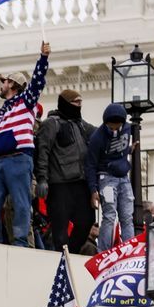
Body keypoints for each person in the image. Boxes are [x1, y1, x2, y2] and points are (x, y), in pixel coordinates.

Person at [0, 43, 50, 246]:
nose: (1, 84)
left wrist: (43, 58)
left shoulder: (26, 101)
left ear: (13, 84)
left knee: (20, 204)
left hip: (18, 159)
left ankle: (20, 242)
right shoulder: (0, 112)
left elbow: (37, 82)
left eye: (5, 81)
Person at [36, 89, 95, 253]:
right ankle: (61, 258)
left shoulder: (82, 125)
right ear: (65, 103)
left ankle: (71, 252)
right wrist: (42, 179)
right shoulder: (51, 123)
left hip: (80, 184)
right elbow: (43, 151)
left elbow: (101, 134)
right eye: (76, 102)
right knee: (59, 228)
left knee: (87, 220)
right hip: (59, 185)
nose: (79, 106)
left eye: (80, 102)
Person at [86, 103, 134, 251]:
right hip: (106, 178)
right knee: (109, 215)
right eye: (110, 127)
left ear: (122, 123)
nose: (114, 130)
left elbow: (123, 147)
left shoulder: (128, 128)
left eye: (116, 126)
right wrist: (93, 190)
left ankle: (129, 250)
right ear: (105, 123)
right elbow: (90, 165)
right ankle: (103, 251)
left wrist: (131, 149)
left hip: (123, 177)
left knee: (127, 216)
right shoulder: (97, 138)